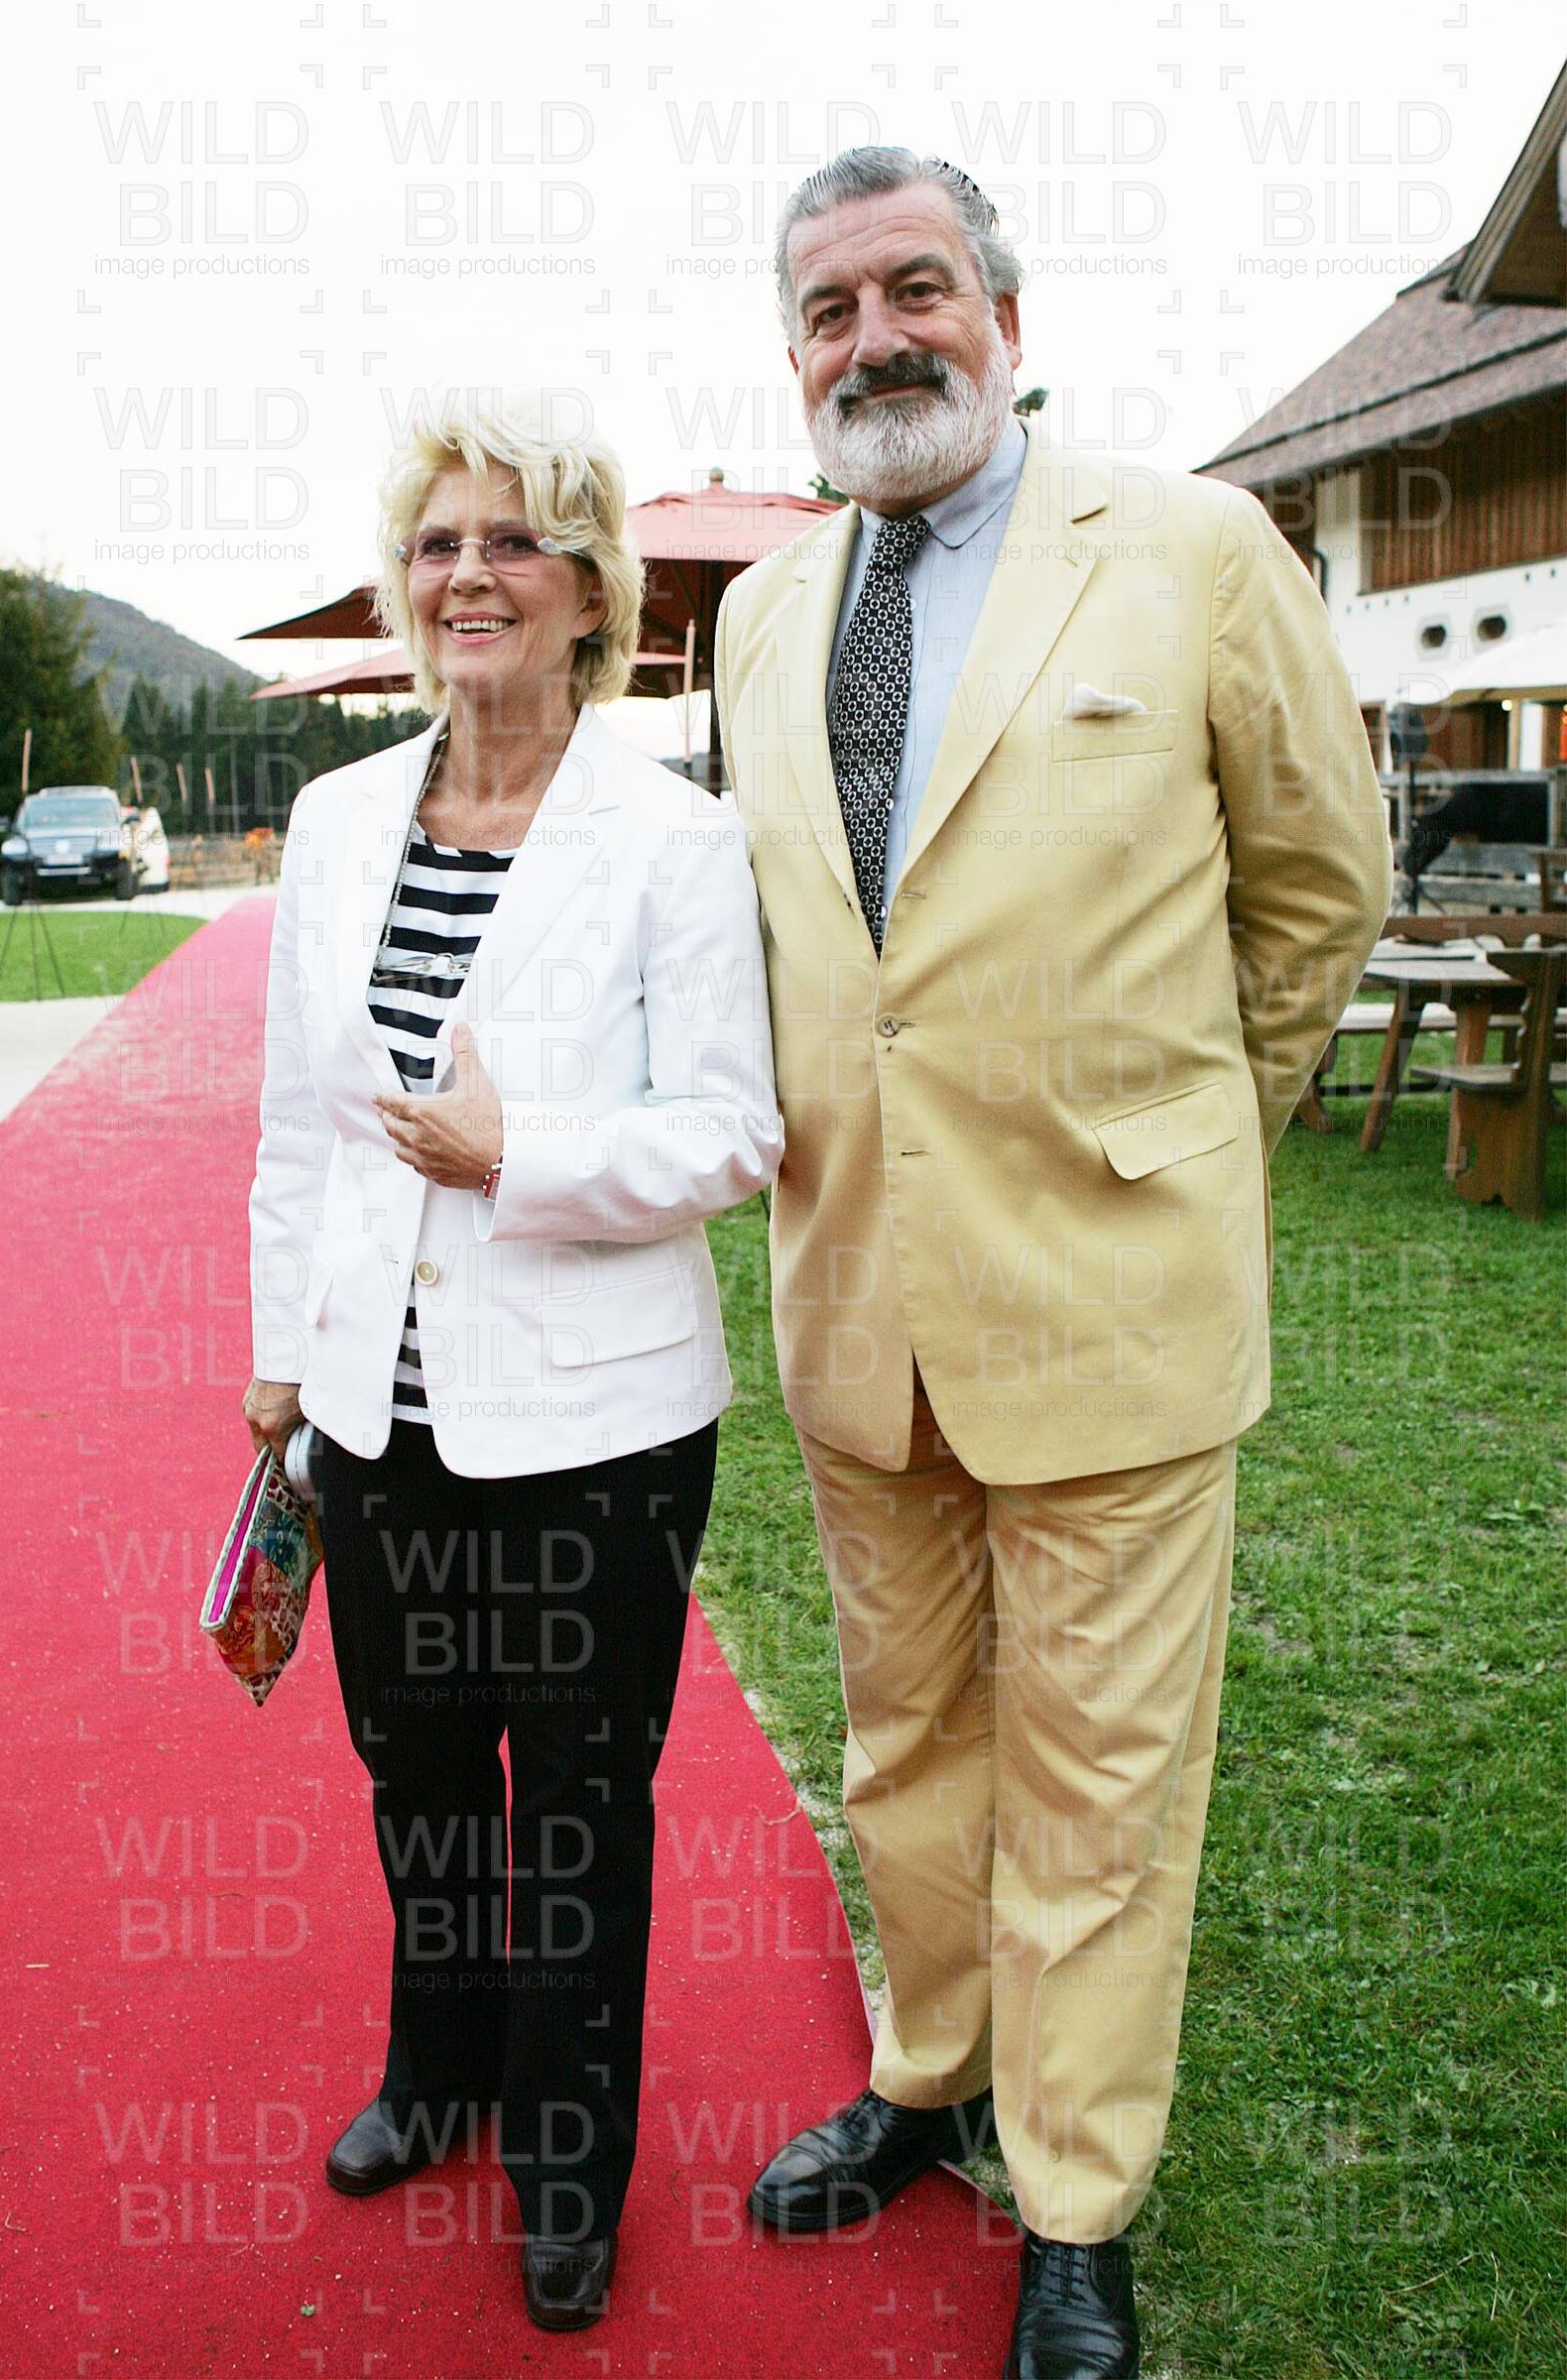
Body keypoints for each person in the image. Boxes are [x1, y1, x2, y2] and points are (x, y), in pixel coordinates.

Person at [714, 149, 1392, 2380]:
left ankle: (1078, 2198)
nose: (875, 339)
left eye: (915, 288)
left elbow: (1320, 890)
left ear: (1003, 313)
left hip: (1114, 1294)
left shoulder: (1190, 548)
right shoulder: (759, 613)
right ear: (794, 353)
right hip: (857, 1298)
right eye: (828, 310)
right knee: (907, 1740)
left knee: (1103, 1782)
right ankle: (930, 2078)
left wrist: (1184, 1137)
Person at [242, 393, 782, 2332]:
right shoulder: (336, 821)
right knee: (412, 1769)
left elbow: (733, 1130)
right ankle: (441, 2067)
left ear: (590, 595)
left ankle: (570, 2157)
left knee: (574, 1802)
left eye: (512, 542)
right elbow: (300, 1127)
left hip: (597, 1429)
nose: (467, 574)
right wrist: (280, 1358)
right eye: (438, 544)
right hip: (374, 1410)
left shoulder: (676, 839)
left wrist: (516, 1158)